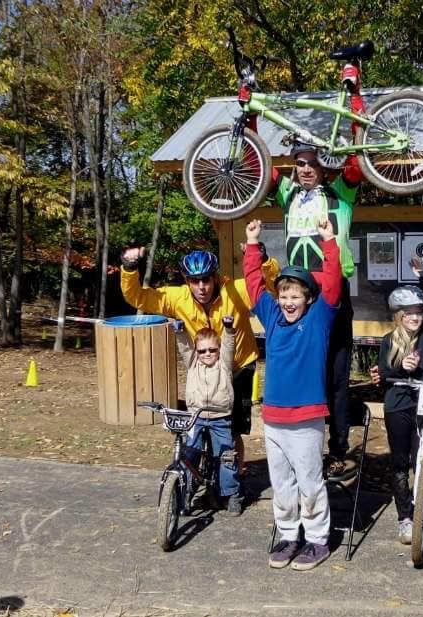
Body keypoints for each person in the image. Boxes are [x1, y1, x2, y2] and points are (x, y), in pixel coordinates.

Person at [250, 113, 362, 481]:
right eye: (300, 163)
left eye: (313, 163)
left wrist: (355, 95)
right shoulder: (289, 195)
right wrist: (248, 118)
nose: (306, 169)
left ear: (323, 167)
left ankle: (340, 451)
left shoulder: (340, 193)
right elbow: (257, 164)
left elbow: (358, 160)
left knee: (336, 375)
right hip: (297, 294)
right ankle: (302, 443)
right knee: (301, 370)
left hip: (331, 292)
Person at [119, 247, 279, 489]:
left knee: (232, 428)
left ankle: (234, 476)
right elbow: (138, 297)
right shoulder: (177, 297)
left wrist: (262, 258)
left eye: (206, 279)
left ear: (215, 277)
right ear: (187, 281)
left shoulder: (235, 291)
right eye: (195, 281)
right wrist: (130, 268)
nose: (202, 286)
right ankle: (196, 471)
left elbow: (271, 285)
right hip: (204, 369)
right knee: (198, 421)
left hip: (238, 365)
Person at [243, 216, 341, 571]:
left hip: (307, 418)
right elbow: (255, 286)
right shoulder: (271, 317)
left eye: (295, 295)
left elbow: (331, 284)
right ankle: (288, 535)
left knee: (309, 483)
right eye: (283, 294)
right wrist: (252, 244)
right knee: (281, 483)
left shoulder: (318, 319)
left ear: (308, 298)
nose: (287, 301)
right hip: (273, 419)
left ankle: (317, 540)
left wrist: (329, 241)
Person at [377, 259, 423, 544]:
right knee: (400, 463)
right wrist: (404, 367)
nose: (415, 318)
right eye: (409, 314)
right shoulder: (388, 341)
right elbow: (385, 375)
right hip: (397, 405)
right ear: (399, 315)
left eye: (418, 313)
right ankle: (405, 517)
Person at [173, 316, 242, 514]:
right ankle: (187, 489)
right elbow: (185, 347)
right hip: (196, 416)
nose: (207, 354)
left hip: (221, 417)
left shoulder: (224, 364)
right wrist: (179, 331)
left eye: (212, 349)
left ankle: (232, 493)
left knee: (226, 455)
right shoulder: (193, 363)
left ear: (218, 350)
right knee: (189, 452)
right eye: (202, 350)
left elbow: (229, 345)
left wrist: (228, 329)